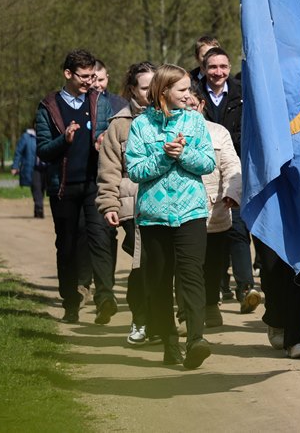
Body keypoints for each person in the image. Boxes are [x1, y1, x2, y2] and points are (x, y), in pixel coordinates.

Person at [125, 64, 215, 369]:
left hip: (191, 212)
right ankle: (169, 342)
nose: (189, 96)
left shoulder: (195, 122)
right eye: (182, 90)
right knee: (160, 282)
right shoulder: (141, 126)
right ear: (163, 92)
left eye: (189, 90)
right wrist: (164, 156)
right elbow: (135, 170)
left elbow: (207, 163)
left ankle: (196, 340)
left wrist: (183, 153)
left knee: (191, 276)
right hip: (154, 217)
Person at [35, 49, 116, 324]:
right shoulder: (49, 106)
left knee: (101, 239)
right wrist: (65, 140)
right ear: (68, 74)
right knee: (67, 245)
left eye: (92, 76)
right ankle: (71, 303)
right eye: (83, 77)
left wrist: (102, 139)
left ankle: (105, 299)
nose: (89, 82)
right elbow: (44, 150)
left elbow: (106, 131)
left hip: (95, 184)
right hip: (64, 188)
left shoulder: (99, 101)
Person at [98, 61, 157, 346]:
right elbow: (109, 168)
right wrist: (109, 204)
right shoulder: (119, 124)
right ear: (132, 89)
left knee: (165, 266)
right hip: (133, 206)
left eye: (155, 86)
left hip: (170, 204)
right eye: (145, 87)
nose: (151, 92)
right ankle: (141, 319)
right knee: (141, 264)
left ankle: (162, 321)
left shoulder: (172, 115)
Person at [200, 46, 258, 313]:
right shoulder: (193, 94)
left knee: (238, 228)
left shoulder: (241, 94)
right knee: (213, 236)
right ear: (203, 69)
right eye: (212, 67)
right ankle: (214, 291)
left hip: (235, 170)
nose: (218, 72)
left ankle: (246, 287)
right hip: (205, 173)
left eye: (223, 66)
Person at [184, 84, 241, 330]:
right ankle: (187, 311)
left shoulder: (218, 133)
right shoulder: (168, 132)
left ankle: (209, 305)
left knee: (214, 265)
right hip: (182, 214)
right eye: (183, 105)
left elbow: (231, 165)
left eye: (192, 105)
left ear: (202, 105)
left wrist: (232, 192)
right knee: (187, 266)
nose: (188, 109)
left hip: (215, 212)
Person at [11, 125, 44, 218]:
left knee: (42, 189)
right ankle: (39, 209)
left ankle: (37, 209)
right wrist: (15, 166)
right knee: (36, 188)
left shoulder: (46, 134)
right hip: (33, 168)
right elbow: (18, 152)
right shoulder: (27, 137)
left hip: (46, 167)